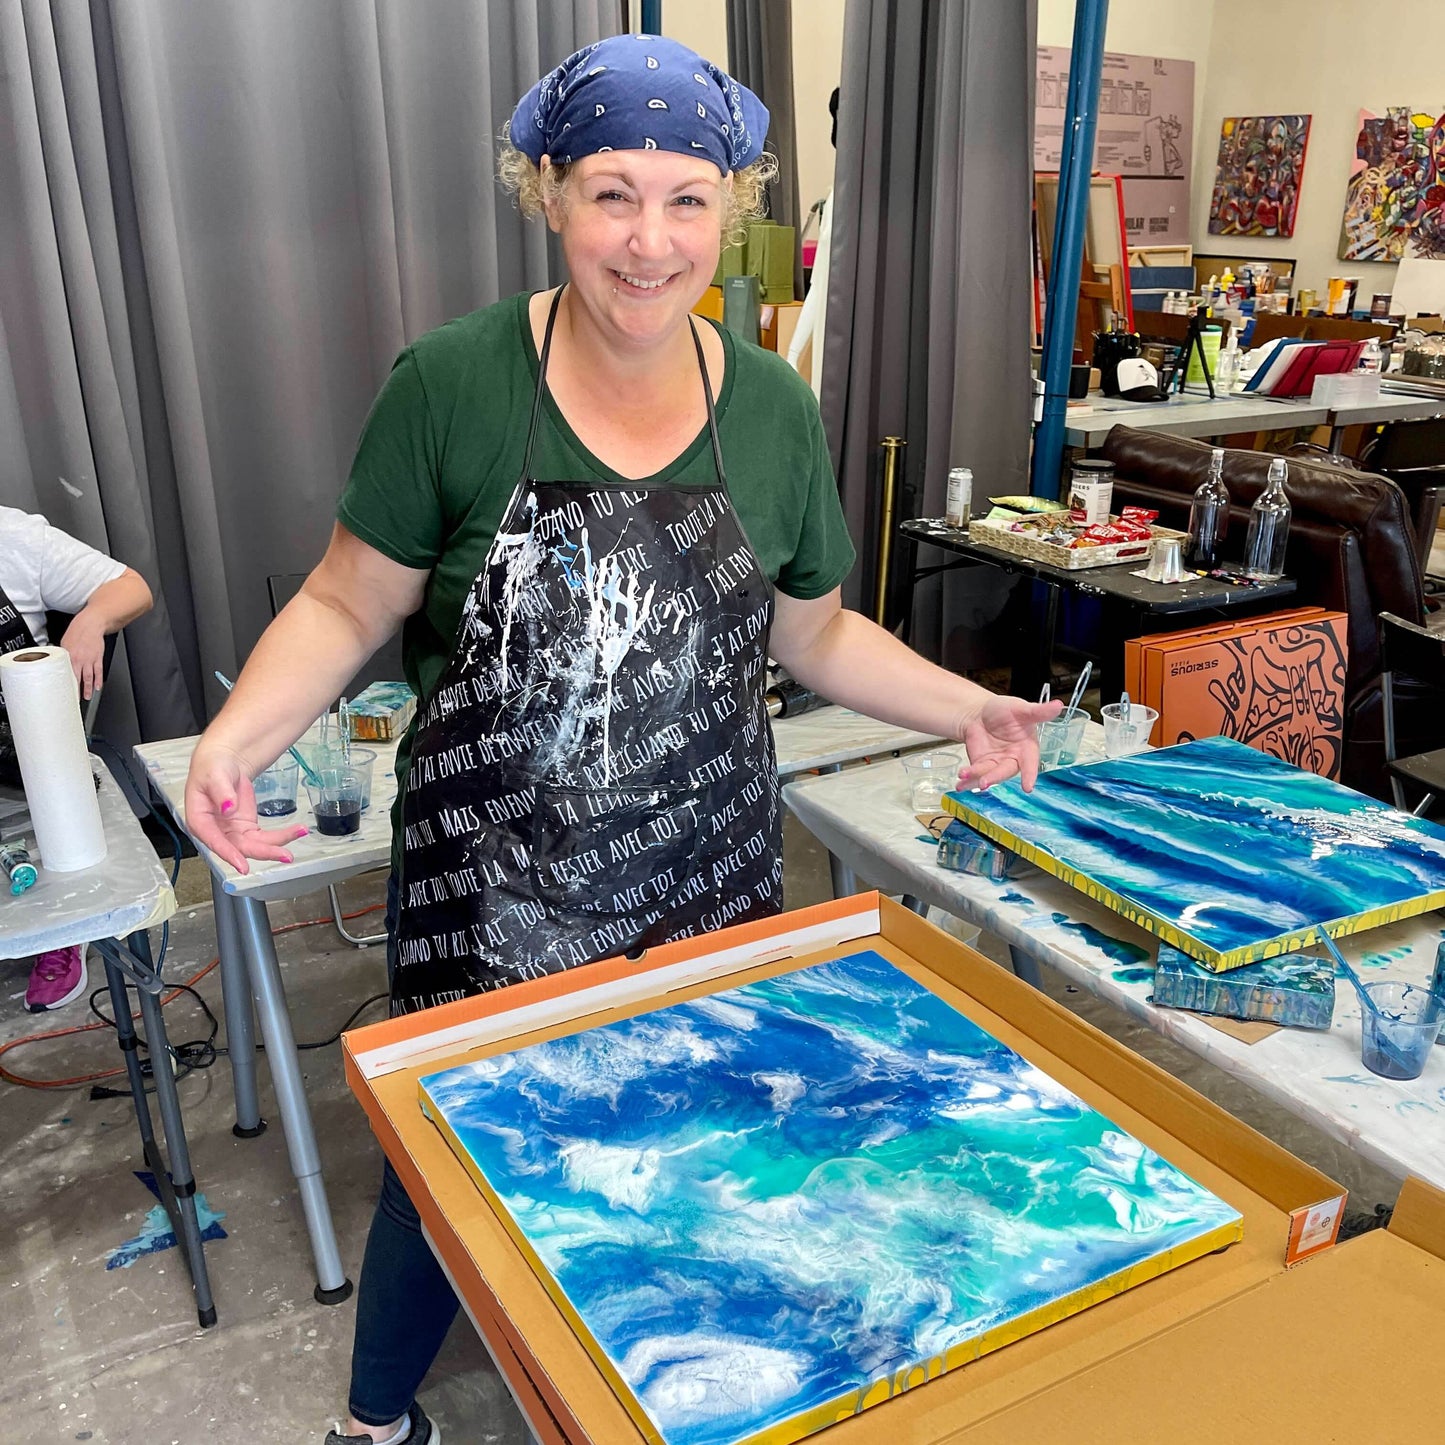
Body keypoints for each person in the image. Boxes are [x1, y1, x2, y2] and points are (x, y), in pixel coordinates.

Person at [181, 35, 1060, 1445]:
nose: (649, 242)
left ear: (734, 208)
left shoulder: (769, 404)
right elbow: (350, 595)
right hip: (489, 898)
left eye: (686, 199)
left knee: (697, 1147)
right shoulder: (453, 383)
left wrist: (970, 706)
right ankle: (375, 1417)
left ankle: (684, 1392)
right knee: (449, 1157)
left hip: (701, 879)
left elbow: (815, 631)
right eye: (609, 193)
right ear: (545, 195)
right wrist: (235, 735)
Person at [0, 504, 153, 1010]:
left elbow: (131, 587)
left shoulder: (14, 536)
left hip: (27, 744)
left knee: (59, 826)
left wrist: (91, 619)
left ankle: (64, 930)